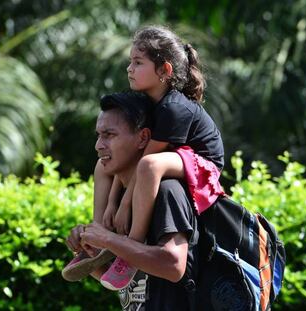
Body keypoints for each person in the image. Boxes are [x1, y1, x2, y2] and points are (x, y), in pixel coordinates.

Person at [91, 25, 224, 291]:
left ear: (165, 70)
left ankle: (133, 245)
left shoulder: (174, 108)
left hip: (202, 163)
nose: (130, 68)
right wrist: (109, 207)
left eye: (138, 63)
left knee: (150, 164)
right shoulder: (148, 105)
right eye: (130, 62)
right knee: (103, 165)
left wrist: (126, 203)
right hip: (176, 158)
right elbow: (128, 166)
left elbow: (148, 162)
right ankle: (95, 241)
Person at [66, 92, 199, 310]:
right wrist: (89, 249)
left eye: (109, 135)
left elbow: (174, 265)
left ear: (143, 138)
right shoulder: (116, 199)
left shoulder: (167, 191)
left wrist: (108, 239)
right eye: (98, 135)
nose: (99, 145)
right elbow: (119, 280)